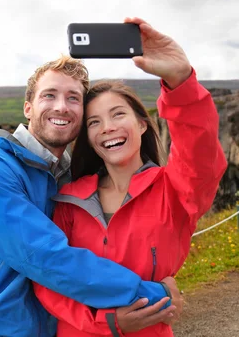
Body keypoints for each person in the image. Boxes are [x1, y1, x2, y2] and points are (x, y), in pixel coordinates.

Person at [0, 17, 183, 337]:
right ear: (28, 107)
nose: (62, 107)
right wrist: (152, 294)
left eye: (73, 98)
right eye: (49, 95)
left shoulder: (68, 178)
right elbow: (45, 257)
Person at [33, 17, 227, 336]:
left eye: (118, 114)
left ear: (142, 124)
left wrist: (179, 80)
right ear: (89, 138)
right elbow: (47, 280)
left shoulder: (175, 190)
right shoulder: (67, 199)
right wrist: (107, 321)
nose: (107, 127)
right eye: (94, 122)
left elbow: (200, 153)